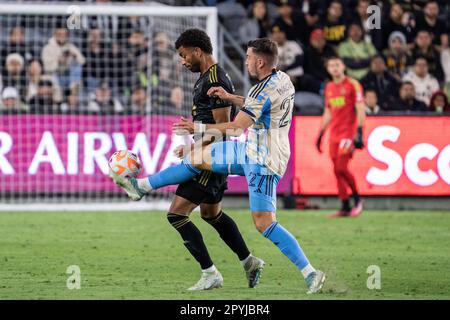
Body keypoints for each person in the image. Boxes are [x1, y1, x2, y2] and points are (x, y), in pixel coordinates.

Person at [110, 38, 326, 294]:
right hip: (252, 149)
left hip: (263, 161)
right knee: (198, 157)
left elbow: (235, 128)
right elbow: (258, 104)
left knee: (264, 223)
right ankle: (140, 187)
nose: (245, 61)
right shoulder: (282, 80)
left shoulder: (259, 89)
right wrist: (230, 97)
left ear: (259, 61)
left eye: (247, 57)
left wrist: (196, 129)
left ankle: (310, 273)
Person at [130, 29, 265, 291]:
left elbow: (226, 127)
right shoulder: (205, 78)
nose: (182, 61)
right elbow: (211, 125)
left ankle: (210, 273)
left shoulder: (215, 80)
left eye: (183, 55)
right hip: (208, 155)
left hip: (213, 159)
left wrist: (196, 147)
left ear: (197, 51)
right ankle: (249, 262)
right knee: (211, 214)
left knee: (176, 214)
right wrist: (194, 147)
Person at [316, 56, 365, 218]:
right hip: (334, 135)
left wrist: (359, 132)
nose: (334, 68)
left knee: (341, 168)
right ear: (328, 69)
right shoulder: (329, 87)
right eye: (331, 65)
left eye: (337, 65)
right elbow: (328, 111)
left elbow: (360, 109)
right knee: (337, 171)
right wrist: (321, 134)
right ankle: (345, 205)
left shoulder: (353, 84)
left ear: (343, 66)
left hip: (348, 134)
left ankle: (357, 199)